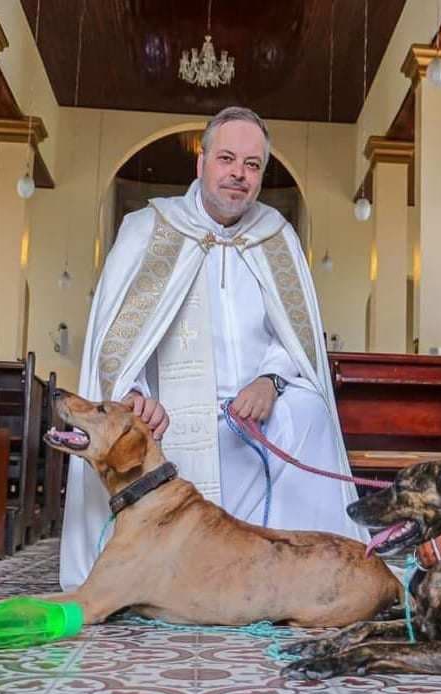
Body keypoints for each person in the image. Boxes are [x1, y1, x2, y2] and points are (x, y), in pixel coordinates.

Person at [59, 106, 366, 591]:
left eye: (252, 165)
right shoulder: (149, 229)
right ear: (201, 163)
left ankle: (298, 568)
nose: (238, 175)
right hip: (172, 413)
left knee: (309, 413)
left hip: (255, 406)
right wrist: (136, 395)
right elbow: (116, 347)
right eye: (226, 159)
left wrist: (271, 381)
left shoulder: (276, 237)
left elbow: (296, 340)